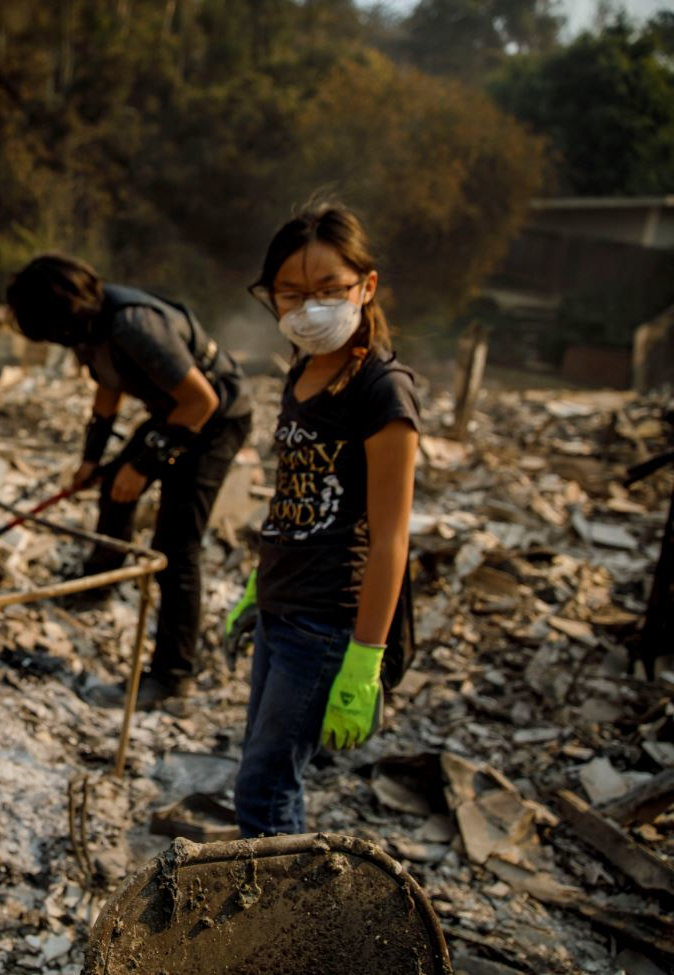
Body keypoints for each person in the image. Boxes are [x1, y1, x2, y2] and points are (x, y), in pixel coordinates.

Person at [227, 202, 419, 838]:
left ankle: (284, 928)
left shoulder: (382, 391)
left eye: (329, 291)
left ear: (366, 287)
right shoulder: (303, 372)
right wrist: (259, 584)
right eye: (291, 292)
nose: (309, 308)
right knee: (260, 775)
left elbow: (392, 537)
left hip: (327, 624)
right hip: (283, 607)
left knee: (266, 790)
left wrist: (366, 659)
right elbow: (292, 495)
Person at [5, 255, 252, 708]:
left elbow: (201, 401)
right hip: (173, 413)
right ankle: (100, 584)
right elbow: (108, 387)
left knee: (176, 546)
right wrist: (91, 459)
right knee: (113, 485)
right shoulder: (88, 327)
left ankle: (172, 675)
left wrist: (143, 466)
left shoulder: (134, 325)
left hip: (215, 420)